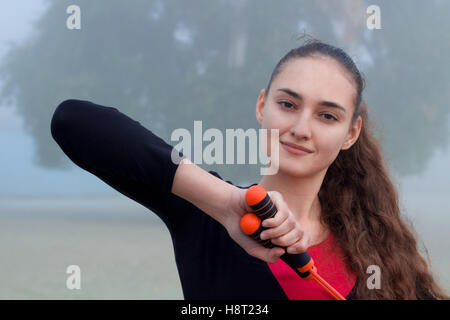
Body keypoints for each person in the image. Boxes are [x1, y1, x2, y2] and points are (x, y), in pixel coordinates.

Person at [51, 38, 448, 299]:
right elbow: (73, 122)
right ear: (262, 105)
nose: (300, 129)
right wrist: (225, 203)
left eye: (327, 116)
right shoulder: (205, 213)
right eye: (288, 104)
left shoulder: (377, 249)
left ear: (351, 133)